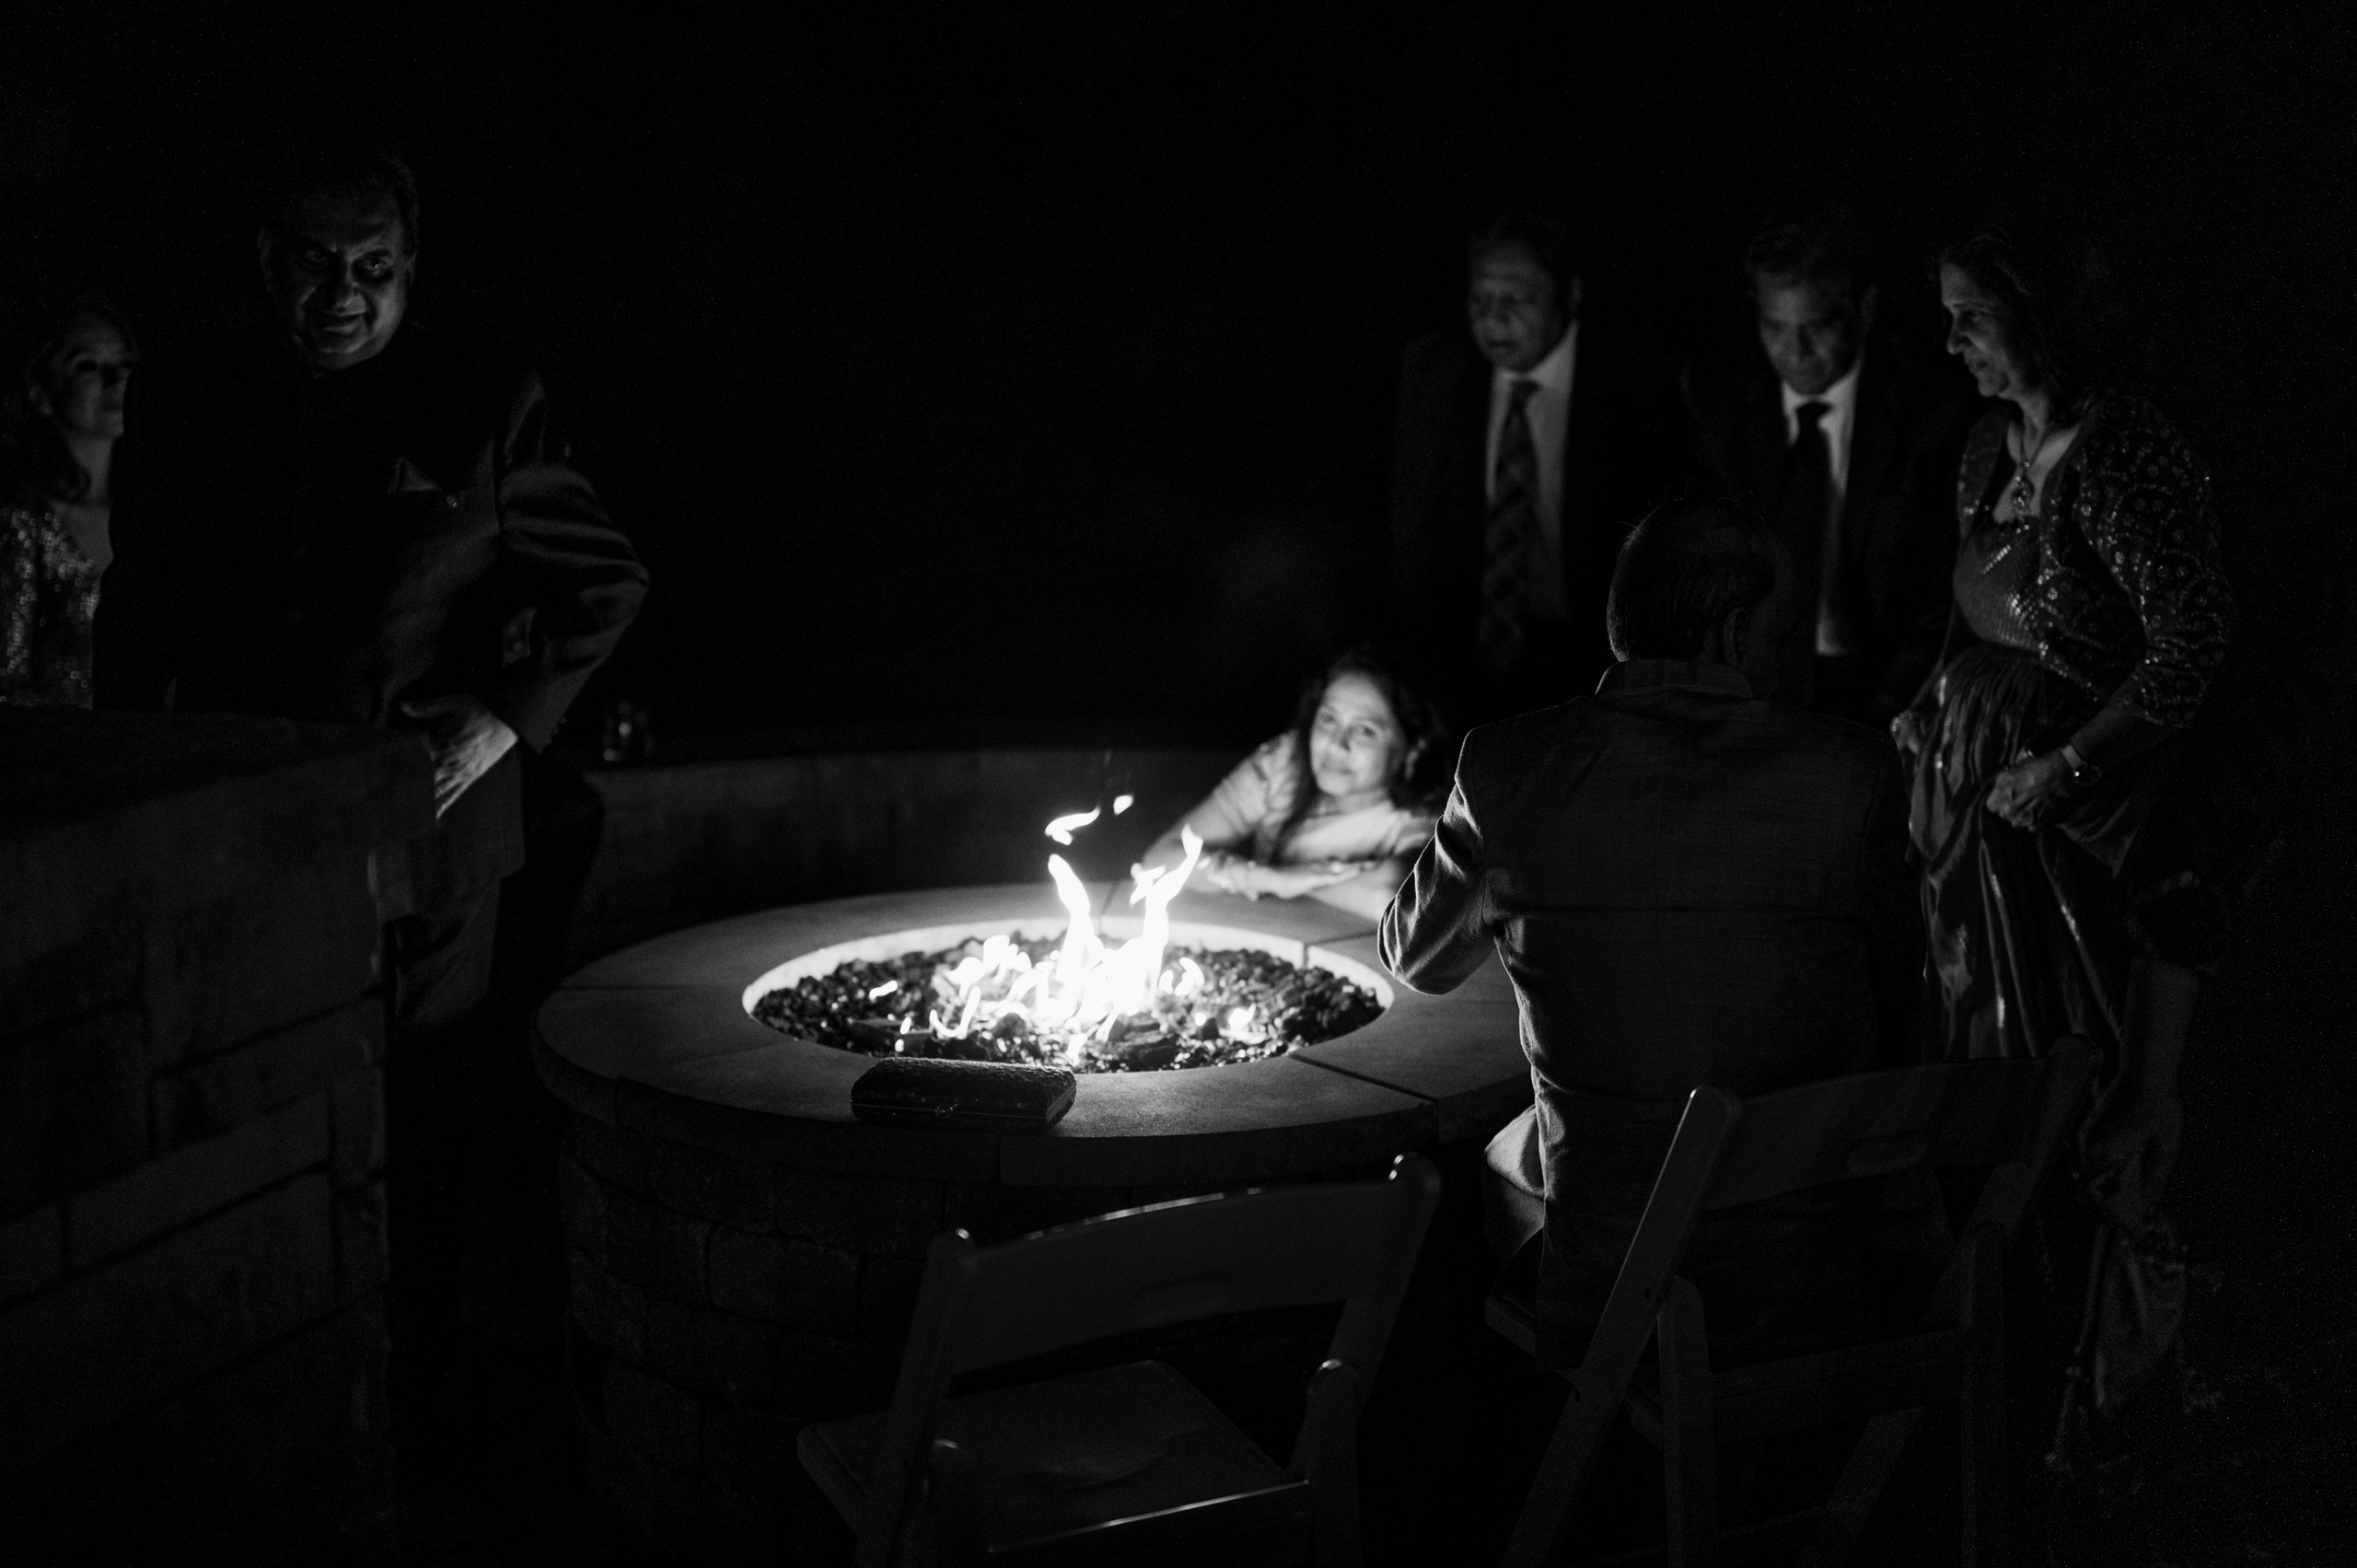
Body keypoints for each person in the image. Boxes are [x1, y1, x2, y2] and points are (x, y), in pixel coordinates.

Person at [99, 145, 647, 1446]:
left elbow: (606, 582)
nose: (342, 293)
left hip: (434, 835)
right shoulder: (194, 395)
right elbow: (140, 607)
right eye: (314, 264)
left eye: (372, 267)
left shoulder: (482, 397)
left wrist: (502, 717)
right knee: (259, 1097)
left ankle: (423, 1402)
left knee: (429, 1113)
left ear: (410, 267)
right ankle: (278, 1386)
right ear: (265, 261)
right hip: (249, 833)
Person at [1382, 501, 1922, 1370]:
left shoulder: (1505, 767)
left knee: (1503, 1163)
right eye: (1786, 634)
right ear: (1737, 634)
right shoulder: (1849, 772)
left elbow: (1415, 959)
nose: (1790, 658)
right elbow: (1904, 1007)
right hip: (1808, 1287)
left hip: (1609, 1293)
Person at [1903, 215, 2234, 1434]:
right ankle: (2001, 1349)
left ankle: (2114, 1378)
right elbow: (1968, 613)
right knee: (1980, 1064)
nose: (1951, 342)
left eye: (1970, 316)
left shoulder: (2125, 451)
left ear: (2035, 313)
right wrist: (1927, 705)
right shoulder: (1984, 447)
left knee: (2076, 1068)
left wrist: (2067, 762)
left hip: (2082, 826)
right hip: (1976, 814)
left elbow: (2191, 644)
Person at [1682, 205, 1978, 722]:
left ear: (1864, 310)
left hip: (1894, 688)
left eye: (1816, 327)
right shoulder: (1721, 401)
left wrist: (1891, 708)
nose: (1795, 353)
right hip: (1755, 687)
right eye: (1774, 327)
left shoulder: (1931, 410)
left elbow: (1947, 589)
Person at [1390, 209, 1678, 723]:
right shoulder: (1437, 371)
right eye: (1479, 299)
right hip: (1467, 648)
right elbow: (1414, 528)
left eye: (1516, 299)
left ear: (1570, 293)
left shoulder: (1634, 382)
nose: (1492, 319)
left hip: (1592, 653)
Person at [1136, 645, 1449, 923]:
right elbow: (1161, 858)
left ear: (1413, 748)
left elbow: (1388, 898)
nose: (1336, 744)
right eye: (1328, 719)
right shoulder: (1284, 764)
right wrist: (1271, 879)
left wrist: (1294, 880)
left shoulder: (1426, 813)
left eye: (1364, 730)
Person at [1, 302, 137, 705]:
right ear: (41, 394)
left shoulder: (152, 514)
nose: (116, 379)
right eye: (87, 366)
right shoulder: (20, 523)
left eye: (125, 362)